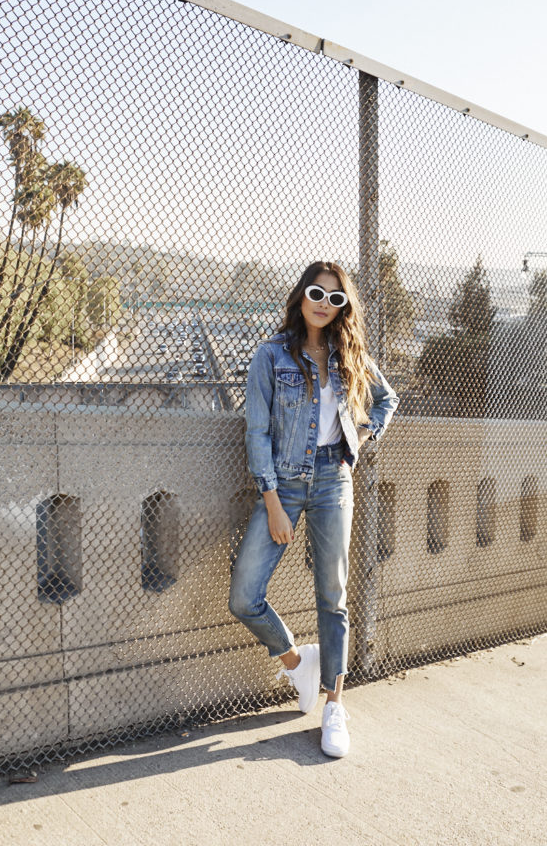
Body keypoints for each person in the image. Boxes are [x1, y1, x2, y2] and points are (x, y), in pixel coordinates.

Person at [228, 261, 399, 758]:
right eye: (316, 293)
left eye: (335, 298)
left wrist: (362, 439)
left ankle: (333, 706)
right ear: (301, 296)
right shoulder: (271, 355)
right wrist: (273, 502)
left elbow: (386, 400)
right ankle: (295, 660)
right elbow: (256, 432)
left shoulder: (351, 355)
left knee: (332, 595)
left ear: (344, 307)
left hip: (333, 481)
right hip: (283, 482)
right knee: (244, 595)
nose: (325, 304)